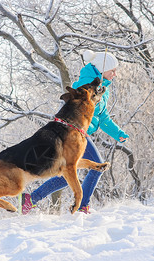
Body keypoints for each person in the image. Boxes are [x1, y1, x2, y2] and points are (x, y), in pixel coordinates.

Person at [21, 50, 129, 214]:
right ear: (101, 69)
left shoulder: (102, 88)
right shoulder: (85, 86)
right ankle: (82, 206)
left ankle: (32, 199)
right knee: (96, 166)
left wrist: (118, 133)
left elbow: (103, 117)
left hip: (81, 134)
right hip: (73, 134)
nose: (115, 74)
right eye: (112, 70)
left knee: (68, 173)